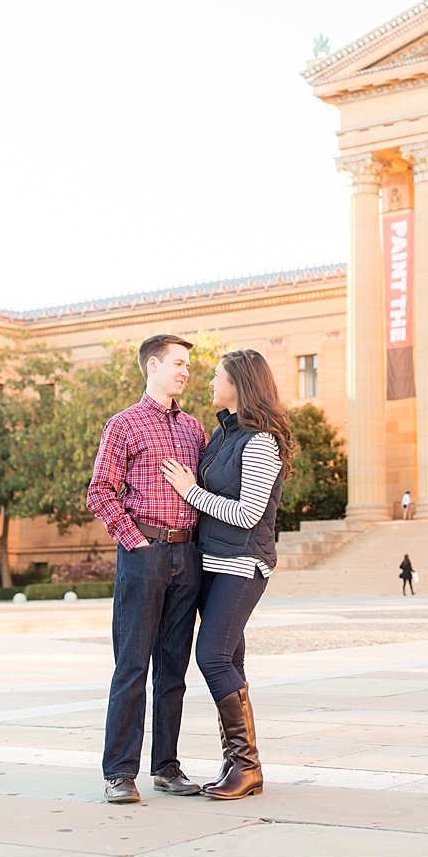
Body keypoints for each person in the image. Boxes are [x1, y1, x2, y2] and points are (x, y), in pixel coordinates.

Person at [159, 348, 293, 801]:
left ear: (239, 383)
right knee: (229, 661)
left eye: (217, 376)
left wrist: (190, 491)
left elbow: (249, 513)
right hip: (212, 562)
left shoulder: (261, 441)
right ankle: (236, 765)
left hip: (241, 564)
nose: (210, 383)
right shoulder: (222, 436)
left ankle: (247, 764)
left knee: (212, 657)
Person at [86, 334, 207, 806]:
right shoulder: (124, 425)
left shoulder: (195, 429)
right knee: (133, 665)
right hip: (145, 552)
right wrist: (135, 541)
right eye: (178, 363)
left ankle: (166, 767)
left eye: (188, 365)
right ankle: (119, 772)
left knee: (174, 667)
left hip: (188, 555)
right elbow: (99, 492)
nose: (185, 371)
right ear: (152, 366)